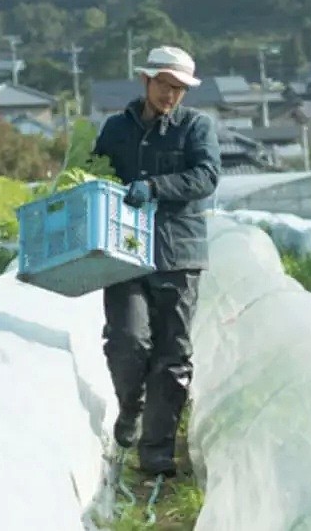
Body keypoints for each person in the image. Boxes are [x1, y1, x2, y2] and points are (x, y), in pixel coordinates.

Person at [91, 45, 221, 477]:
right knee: (126, 341)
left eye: (180, 88)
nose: (171, 95)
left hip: (178, 251)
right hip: (125, 251)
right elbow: (95, 173)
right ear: (146, 81)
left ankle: (158, 451)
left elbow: (206, 176)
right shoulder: (115, 129)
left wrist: (155, 186)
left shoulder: (196, 128)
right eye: (165, 84)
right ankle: (132, 406)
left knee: (173, 355)